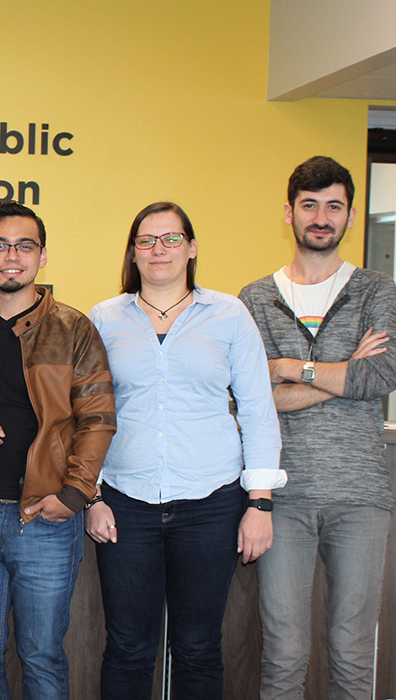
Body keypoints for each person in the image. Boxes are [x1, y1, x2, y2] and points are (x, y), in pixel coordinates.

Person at [86, 201, 285, 700]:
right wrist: (91, 497)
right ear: (132, 253)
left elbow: (259, 409)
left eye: (171, 239)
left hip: (211, 505)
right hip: (125, 503)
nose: (159, 250)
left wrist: (260, 504)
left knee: (198, 647)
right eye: (147, 240)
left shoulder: (228, 314)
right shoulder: (104, 318)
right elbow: (81, 418)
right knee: (128, 647)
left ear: (192, 248)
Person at [239, 156, 396, 700]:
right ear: (289, 213)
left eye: (334, 206)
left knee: (354, 650)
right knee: (283, 652)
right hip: (283, 496)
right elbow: (252, 397)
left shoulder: (377, 290)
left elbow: (378, 376)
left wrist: (289, 367)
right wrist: (339, 371)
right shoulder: (255, 298)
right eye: (310, 205)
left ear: (351, 216)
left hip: (362, 496)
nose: (321, 217)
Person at [0, 201, 116, 700]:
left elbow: (98, 418)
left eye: (25, 246)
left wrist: (74, 494)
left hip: (44, 517)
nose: (12, 257)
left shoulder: (73, 328)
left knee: (41, 658)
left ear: (42, 256)